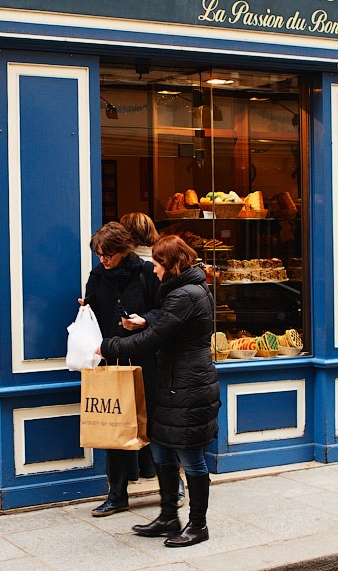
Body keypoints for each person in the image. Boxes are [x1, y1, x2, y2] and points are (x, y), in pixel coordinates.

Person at [97, 234, 219, 547]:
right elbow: (163, 327)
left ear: (173, 264)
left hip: (188, 386)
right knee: (162, 450)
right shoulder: (184, 291)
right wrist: (144, 323)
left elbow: (154, 339)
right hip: (174, 383)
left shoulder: (185, 295)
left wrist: (109, 345)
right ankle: (168, 517)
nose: (153, 269)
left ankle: (198, 525)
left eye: (158, 262)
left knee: (191, 458)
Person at [79, 222, 159, 517]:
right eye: (99, 254)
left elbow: (163, 310)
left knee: (154, 424)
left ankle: (171, 486)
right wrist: (85, 308)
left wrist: (144, 320)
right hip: (112, 359)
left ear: (124, 251)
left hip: (145, 358)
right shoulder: (97, 275)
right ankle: (117, 495)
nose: (103, 260)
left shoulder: (147, 273)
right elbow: (92, 310)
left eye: (107, 255)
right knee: (113, 425)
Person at [120, 212, 187, 507]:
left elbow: (162, 319)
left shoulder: (149, 272)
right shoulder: (136, 268)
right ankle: (171, 494)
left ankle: (174, 493)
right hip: (154, 356)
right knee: (154, 420)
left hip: (152, 356)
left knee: (146, 418)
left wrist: (116, 342)